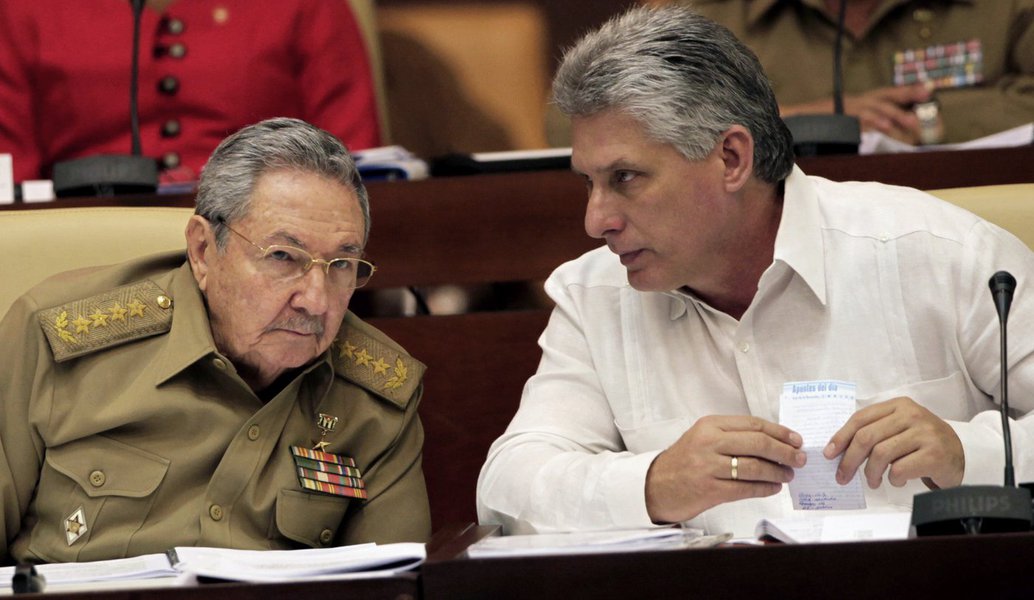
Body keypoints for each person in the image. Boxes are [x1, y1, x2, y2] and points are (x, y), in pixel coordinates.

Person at [476, 5, 1034, 537]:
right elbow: (508, 485)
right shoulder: (594, 294)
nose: (596, 220)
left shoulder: (937, 252)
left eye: (625, 178)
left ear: (731, 159)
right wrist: (652, 484)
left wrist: (969, 453)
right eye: (588, 183)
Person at [0, 118, 429, 565]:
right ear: (203, 250)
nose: (316, 301)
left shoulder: (377, 398)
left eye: (342, 264)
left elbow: (396, 583)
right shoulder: (59, 340)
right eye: (284, 256)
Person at [0, 0, 381, 184]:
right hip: (81, 247)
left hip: (272, 241)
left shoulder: (308, 5)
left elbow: (352, 160)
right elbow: (10, 173)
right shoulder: (20, 9)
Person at [681, 0, 1034, 144]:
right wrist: (799, 122)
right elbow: (666, 135)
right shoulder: (712, 17)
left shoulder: (1004, 7)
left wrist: (923, 120)